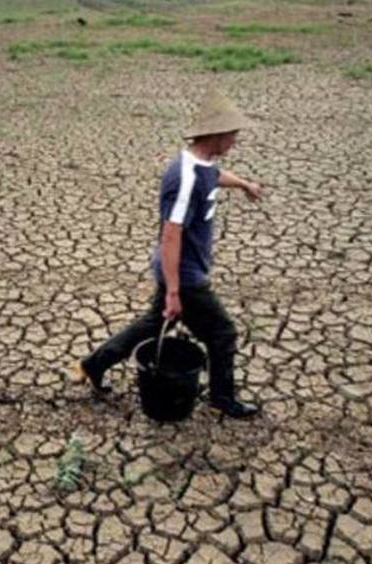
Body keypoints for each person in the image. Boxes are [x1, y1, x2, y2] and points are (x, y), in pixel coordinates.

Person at [73, 90, 263, 418]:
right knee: (223, 333)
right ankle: (222, 397)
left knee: (152, 323)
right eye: (232, 134)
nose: (235, 140)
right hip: (186, 276)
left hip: (182, 271)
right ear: (216, 134)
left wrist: (245, 184)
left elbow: (214, 177)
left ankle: (93, 364)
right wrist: (175, 290)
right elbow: (170, 235)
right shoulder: (184, 177)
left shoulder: (202, 165)